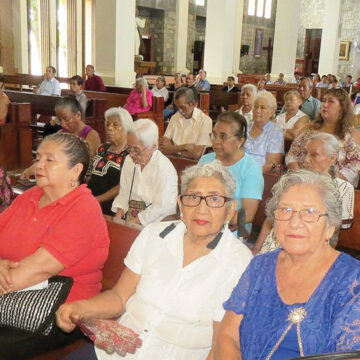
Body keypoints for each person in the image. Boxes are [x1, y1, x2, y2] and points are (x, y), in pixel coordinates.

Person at [56, 161, 253, 360]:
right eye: (193, 197)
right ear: (180, 204)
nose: (202, 208)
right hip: (117, 352)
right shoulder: (154, 235)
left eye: (214, 199)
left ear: (230, 209)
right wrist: (79, 308)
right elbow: (120, 297)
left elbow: (222, 343)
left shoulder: (237, 261)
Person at [216, 170, 360, 359]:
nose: (294, 222)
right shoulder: (260, 266)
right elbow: (228, 336)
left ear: (330, 226)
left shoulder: (352, 281)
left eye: (309, 212)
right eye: (285, 210)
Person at [0, 133, 110, 358]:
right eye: (38, 157)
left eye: (50, 160)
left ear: (75, 170)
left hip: (59, 313)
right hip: (9, 297)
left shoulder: (83, 209)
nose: (39, 165)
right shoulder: (30, 196)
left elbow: (31, 273)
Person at [254, 133, 355, 255]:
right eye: (305, 153)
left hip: (310, 252)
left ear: (332, 158)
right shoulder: (291, 181)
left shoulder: (343, 188)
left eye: (314, 155)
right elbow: (270, 220)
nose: (306, 160)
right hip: (273, 246)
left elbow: (334, 235)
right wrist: (256, 250)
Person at [199, 112, 263, 236]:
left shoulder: (251, 168)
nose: (216, 141)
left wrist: (213, 219)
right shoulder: (205, 160)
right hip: (203, 220)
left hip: (234, 229)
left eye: (223, 136)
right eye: (214, 135)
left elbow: (247, 215)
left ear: (240, 141)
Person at [286, 88, 360, 187]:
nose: (325, 105)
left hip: (334, 186)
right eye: (324, 101)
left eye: (331, 102)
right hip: (302, 182)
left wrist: (326, 181)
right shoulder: (308, 129)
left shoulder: (351, 134)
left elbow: (354, 168)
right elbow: (292, 155)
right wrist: (300, 176)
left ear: (342, 108)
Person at [112, 119, 177, 225]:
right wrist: (118, 219)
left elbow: (161, 208)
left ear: (153, 147)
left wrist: (133, 223)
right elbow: (124, 193)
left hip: (155, 224)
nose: (132, 154)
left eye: (136, 150)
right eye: (129, 148)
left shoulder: (164, 168)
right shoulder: (129, 160)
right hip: (130, 220)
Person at [21, 97, 101, 180]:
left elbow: (86, 164)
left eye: (66, 119)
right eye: (59, 120)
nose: (62, 124)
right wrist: (31, 169)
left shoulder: (91, 135)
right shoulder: (60, 134)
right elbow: (47, 156)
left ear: (78, 115)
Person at [88, 107, 133, 215]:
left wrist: (97, 200)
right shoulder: (102, 148)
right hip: (91, 200)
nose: (110, 128)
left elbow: (123, 186)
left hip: (113, 206)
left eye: (115, 125)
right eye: (107, 124)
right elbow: (91, 174)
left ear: (126, 127)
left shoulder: (130, 153)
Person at [160, 87, 212, 160]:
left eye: (182, 107)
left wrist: (171, 149)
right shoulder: (174, 117)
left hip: (193, 165)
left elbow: (197, 154)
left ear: (193, 104)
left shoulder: (205, 121)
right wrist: (184, 147)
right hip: (172, 160)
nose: (180, 111)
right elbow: (163, 147)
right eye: (177, 107)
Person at [244, 92, 284, 172]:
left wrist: (250, 174)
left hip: (260, 175)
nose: (258, 111)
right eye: (255, 107)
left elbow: (272, 164)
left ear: (271, 112)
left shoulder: (275, 132)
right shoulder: (245, 127)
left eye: (262, 108)